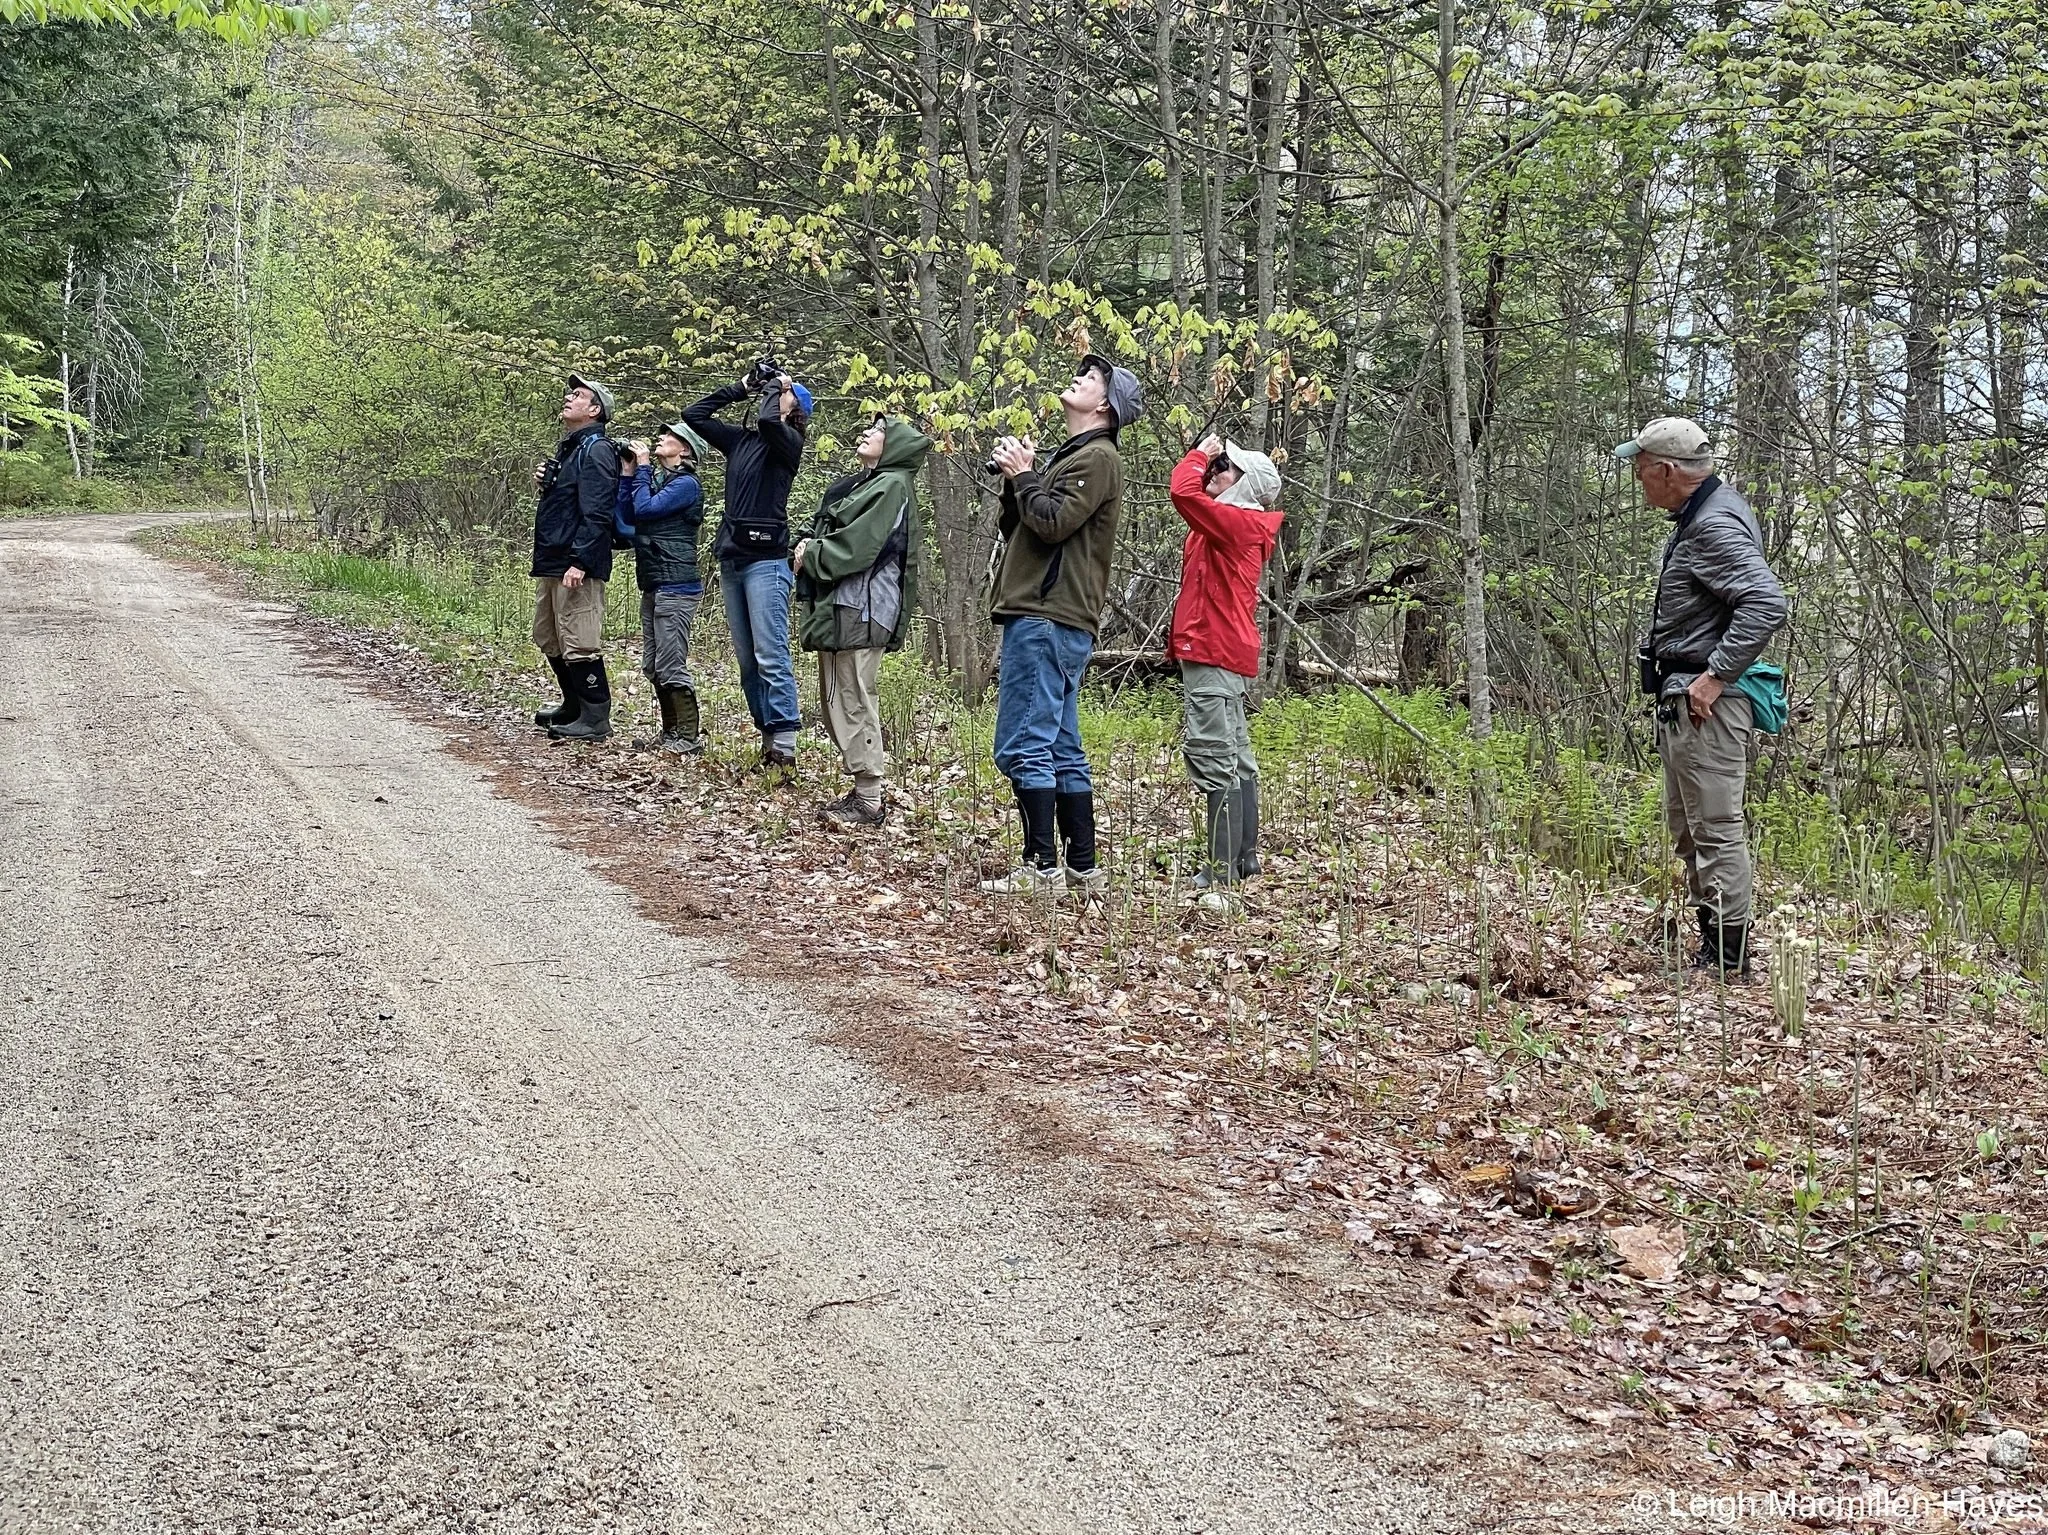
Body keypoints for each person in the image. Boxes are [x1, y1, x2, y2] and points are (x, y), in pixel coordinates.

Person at [1621, 416, 1787, 978]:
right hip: (1686, 699)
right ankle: (1711, 949)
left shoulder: (1713, 525)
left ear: (1667, 470)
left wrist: (1714, 676)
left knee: (1715, 828)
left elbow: (1766, 603)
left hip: (1708, 704)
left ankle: (1727, 960)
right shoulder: (1705, 514)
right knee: (1690, 826)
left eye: (1640, 468)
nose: (1637, 478)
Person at [980, 352, 1143, 897]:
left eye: (1092, 378)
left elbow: (1051, 525)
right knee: (1060, 745)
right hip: (1055, 618)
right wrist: (1017, 479)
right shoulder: (1073, 458)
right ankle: (1081, 867)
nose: (1079, 378)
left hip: (1047, 617)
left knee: (1023, 741)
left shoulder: (1098, 459)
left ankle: (1040, 867)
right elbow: (1020, 525)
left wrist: (1028, 476)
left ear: (1104, 406)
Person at [793, 413, 930, 828]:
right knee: (839, 694)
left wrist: (810, 555)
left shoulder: (891, 486)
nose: (866, 432)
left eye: (878, 431)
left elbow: (857, 546)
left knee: (852, 695)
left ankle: (869, 799)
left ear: (896, 446)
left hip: (862, 606)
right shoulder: (871, 484)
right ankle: (863, 790)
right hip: (849, 604)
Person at [1167, 432, 1284, 912]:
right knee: (1236, 755)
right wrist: (1213, 462)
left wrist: (1197, 454)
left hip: (1214, 650)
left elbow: (1181, 492)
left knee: (1214, 753)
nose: (1216, 472)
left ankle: (1220, 875)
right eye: (1217, 466)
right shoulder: (1232, 523)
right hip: (1220, 648)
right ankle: (1244, 859)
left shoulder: (1237, 521)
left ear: (1244, 486)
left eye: (1226, 469)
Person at [683, 362, 811, 767]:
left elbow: (768, 421)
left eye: (780, 394)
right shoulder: (741, 442)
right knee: (747, 659)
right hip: (734, 558)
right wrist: (740, 386)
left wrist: (777, 387)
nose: (770, 395)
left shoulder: (787, 443)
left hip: (767, 563)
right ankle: (768, 738)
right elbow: (694, 415)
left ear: (793, 408)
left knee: (771, 653)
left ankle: (785, 747)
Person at [531, 373, 621, 742]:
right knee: (549, 636)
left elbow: (599, 511)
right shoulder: (571, 447)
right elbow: (570, 503)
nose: (569, 398)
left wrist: (581, 561)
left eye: (579, 395)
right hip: (554, 557)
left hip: (576, 563)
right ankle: (573, 706)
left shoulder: (597, 449)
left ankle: (595, 718)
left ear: (595, 409)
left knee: (580, 639)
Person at [616, 420, 711, 754]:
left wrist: (641, 467)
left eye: (669, 436)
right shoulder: (658, 481)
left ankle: (687, 738)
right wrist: (629, 474)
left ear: (684, 450)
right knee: (653, 665)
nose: (660, 438)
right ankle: (671, 733)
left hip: (677, 584)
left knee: (671, 664)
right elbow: (629, 516)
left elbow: (646, 509)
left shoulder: (686, 485)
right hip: (655, 582)